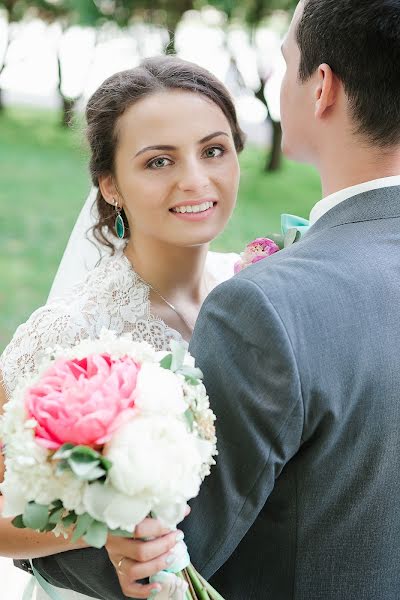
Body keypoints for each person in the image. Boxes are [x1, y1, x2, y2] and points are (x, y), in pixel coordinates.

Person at [90, 0, 400, 598]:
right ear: (111, 184)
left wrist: (52, 530)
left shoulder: (267, 306)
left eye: (288, 63)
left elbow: (183, 551)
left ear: (321, 89)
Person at [0, 55, 244, 599]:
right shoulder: (69, 331)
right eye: (159, 162)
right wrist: (101, 526)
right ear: (110, 185)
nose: (195, 180)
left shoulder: (255, 287)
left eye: (213, 150)